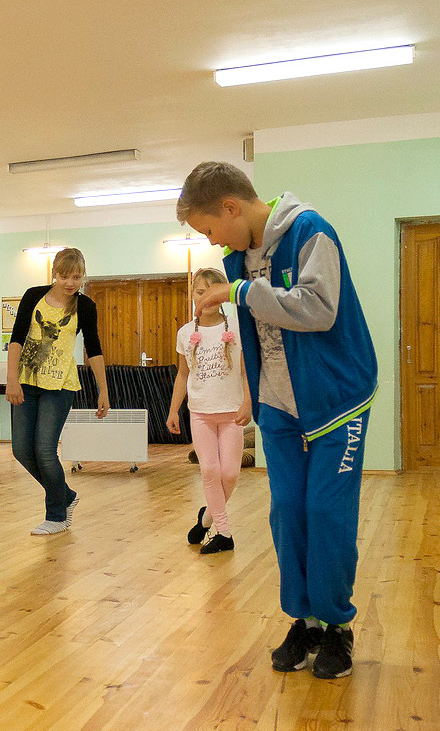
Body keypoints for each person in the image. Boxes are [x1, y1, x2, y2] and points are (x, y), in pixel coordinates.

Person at [179, 161, 377, 680]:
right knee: (287, 511)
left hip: (337, 400)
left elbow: (319, 309)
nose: (210, 240)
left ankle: (336, 626)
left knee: (326, 511)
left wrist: (241, 293)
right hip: (279, 406)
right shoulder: (237, 258)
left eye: (208, 228)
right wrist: (256, 400)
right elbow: (257, 337)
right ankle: (304, 621)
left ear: (231, 207)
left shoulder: (311, 231)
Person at [5, 247, 108, 535]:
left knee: (45, 449)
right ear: (54, 274)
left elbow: (94, 348)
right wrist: (12, 379)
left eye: (76, 277)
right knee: (21, 450)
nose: (70, 283)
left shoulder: (84, 306)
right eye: (64, 276)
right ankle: (66, 495)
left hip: (60, 385)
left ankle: (57, 515)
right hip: (26, 381)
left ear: (83, 276)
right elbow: (16, 338)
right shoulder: (33, 296)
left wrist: (103, 390)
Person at [166, 268, 251, 554]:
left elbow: (246, 371)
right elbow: (182, 375)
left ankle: (206, 519)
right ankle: (224, 533)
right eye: (201, 292)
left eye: (214, 292)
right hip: (200, 413)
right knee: (210, 470)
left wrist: (248, 403)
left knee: (230, 474)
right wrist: (173, 410)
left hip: (232, 413)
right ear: (192, 295)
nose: (207, 298)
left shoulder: (236, 328)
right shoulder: (185, 332)